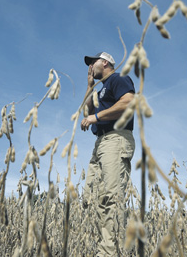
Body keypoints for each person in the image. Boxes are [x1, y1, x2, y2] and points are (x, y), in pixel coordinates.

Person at [81, 52, 135, 256]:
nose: (90, 66)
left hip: (116, 139)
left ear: (105, 62)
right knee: (92, 196)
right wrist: (89, 85)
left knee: (111, 197)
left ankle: (109, 252)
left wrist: (96, 117)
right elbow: (85, 112)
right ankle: (98, 246)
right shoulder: (100, 90)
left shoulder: (118, 79)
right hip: (101, 143)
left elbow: (128, 103)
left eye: (92, 62)